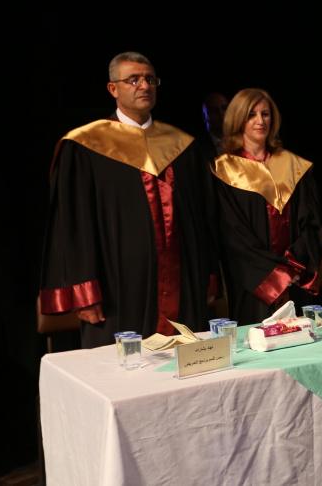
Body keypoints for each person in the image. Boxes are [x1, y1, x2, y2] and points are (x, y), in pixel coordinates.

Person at [40, 52, 218, 348]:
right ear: (113, 89)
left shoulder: (182, 146)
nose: (144, 86)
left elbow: (203, 218)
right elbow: (74, 224)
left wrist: (208, 276)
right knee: (123, 367)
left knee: (185, 366)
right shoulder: (86, 146)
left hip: (182, 283)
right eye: (133, 80)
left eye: (150, 79)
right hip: (117, 287)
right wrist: (85, 291)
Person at [213, 88, 322, 324]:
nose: (260, 121)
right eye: (251, 115)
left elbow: (311, 223)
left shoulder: (293, 165)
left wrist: (294, 266)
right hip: (254, 284)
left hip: (296, 279)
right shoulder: (223, 170)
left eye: (265, 114)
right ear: (238, 119)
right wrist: (276, 274)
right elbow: (233, 235)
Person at [201, 91, 229, 156]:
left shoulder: (242, 141)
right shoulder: (198, 148)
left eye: (224, 108)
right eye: (214, 110)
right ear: (205, 116)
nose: (221, 113)